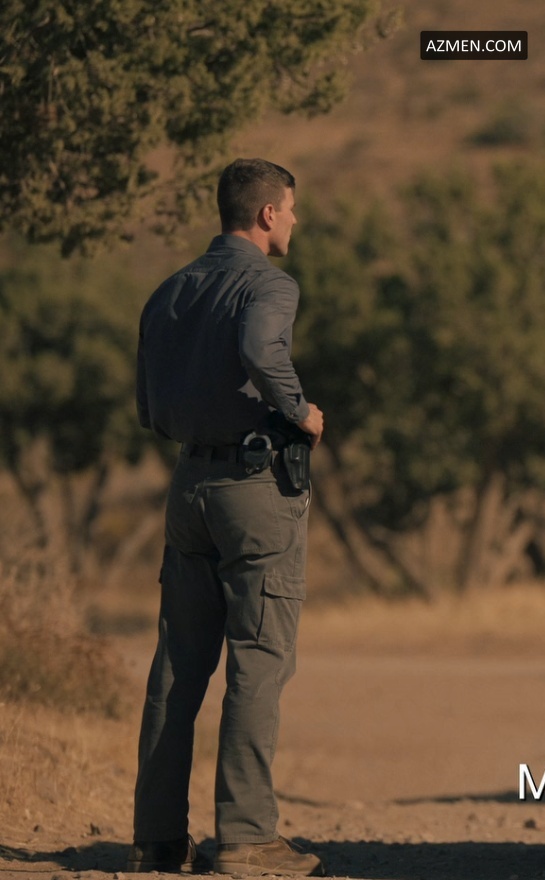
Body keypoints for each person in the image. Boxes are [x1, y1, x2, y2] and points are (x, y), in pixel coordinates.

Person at [127, 158, 325, 876]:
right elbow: (259, 349)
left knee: (177, 668)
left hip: (187, 487)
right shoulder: (270, 284)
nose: (295, 220)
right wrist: (299, 411)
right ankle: (245, 837)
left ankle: (156, 840)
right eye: (291, 209)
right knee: (258, 662)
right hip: (253, 489)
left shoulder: (170, 289)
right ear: (267, 214)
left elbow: (148, 407)